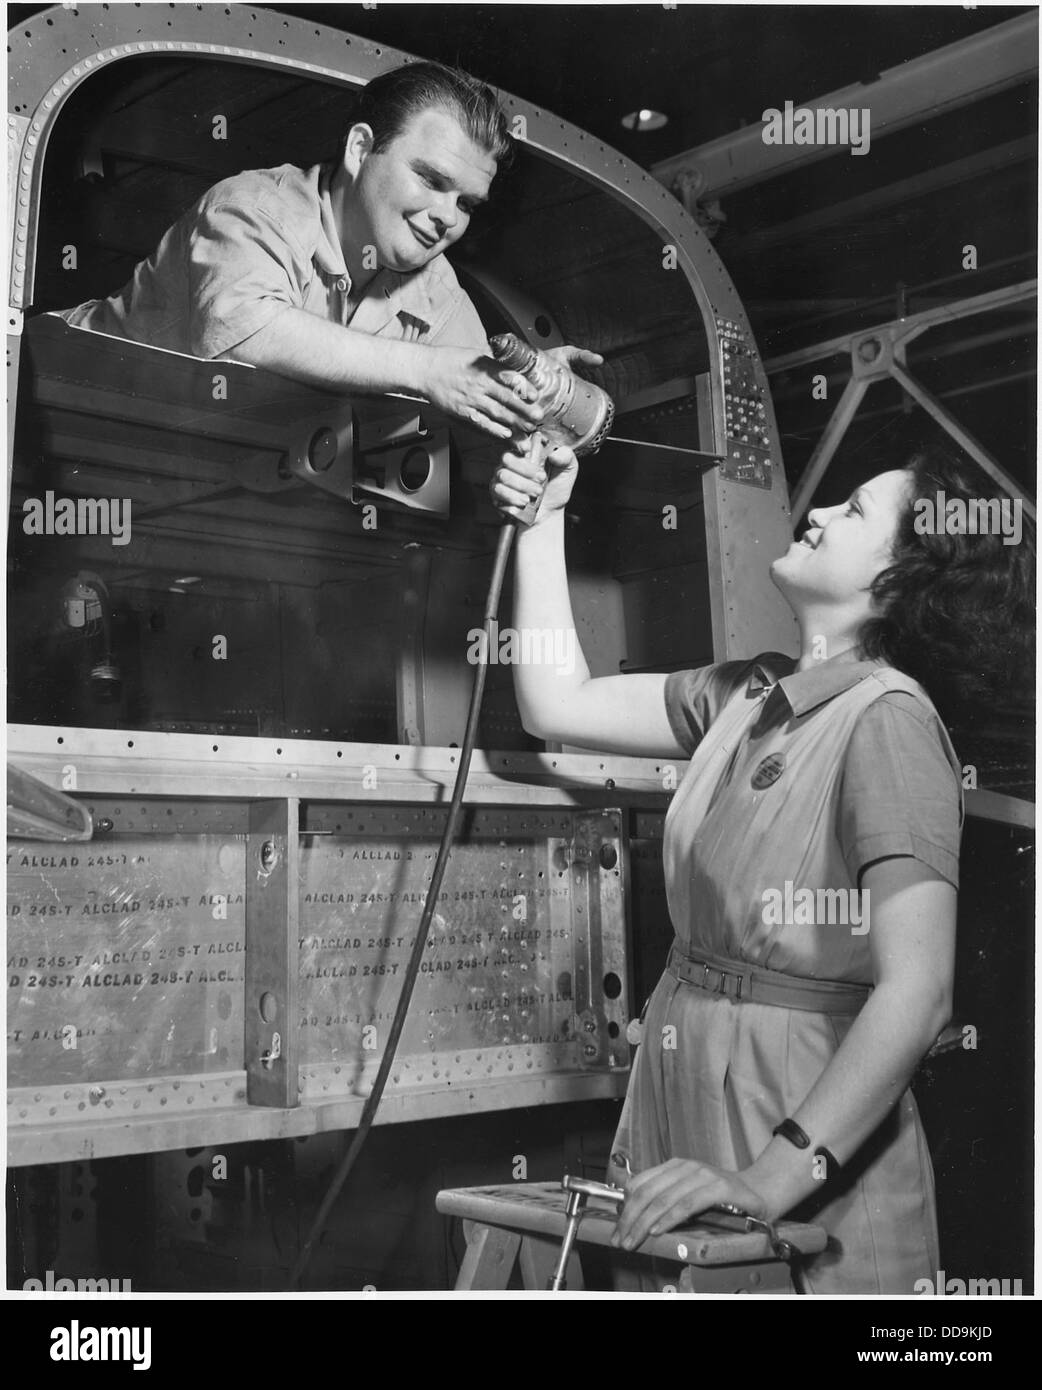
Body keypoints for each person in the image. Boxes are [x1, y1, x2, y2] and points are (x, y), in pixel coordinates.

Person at [491, 439, 1033, 1294]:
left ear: (899, 578)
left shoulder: (886, 719)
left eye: (853, 510)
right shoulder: (748, 696)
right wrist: (544, 516)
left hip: (797, 1114)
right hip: (685, 1076)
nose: (816, 511)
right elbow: (555, 702)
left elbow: (920, 993)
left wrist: (768, 1183)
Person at [58, 61, 562, 441]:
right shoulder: (254, 205)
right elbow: (243, 333)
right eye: (430, 179)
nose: (448, 217)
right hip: (55, 405)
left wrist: (543, 394)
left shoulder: (437, 286)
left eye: (467, 203)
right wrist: (427, 370)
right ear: (360, 150)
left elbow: (475, 386)